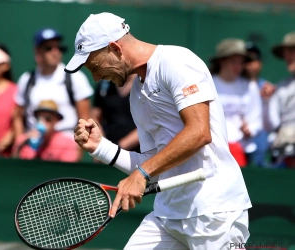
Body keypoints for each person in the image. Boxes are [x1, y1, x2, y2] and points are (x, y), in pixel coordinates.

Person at [65, 13, 252, 249]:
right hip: (167, 216)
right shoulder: (136, 95)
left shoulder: (176, 61)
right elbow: (154, 163)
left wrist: (141, 174)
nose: (96, 76)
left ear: (114, 47)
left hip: (214, 213)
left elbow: (200, 132)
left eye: (95, 66)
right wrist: (101, 147)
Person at [14, 28, 93, 139]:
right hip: (33, 146)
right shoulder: (26, 79)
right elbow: (17, 116)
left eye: (58, 48)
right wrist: (20, 142)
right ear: (38, 52)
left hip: (65, 146)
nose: (55, 52)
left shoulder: (76, 77)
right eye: (48, 48)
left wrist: (77, 150)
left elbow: (85, 118)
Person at [210, 38, 263, 167]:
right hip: (213, 149)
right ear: (221, 61)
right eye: (233, 62)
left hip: (242, 149)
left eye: (241, 62)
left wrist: (250, 129)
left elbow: (256, 118)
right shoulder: (209, 83)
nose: (238, 67)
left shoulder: (249, 86)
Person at [13, 100, 80, 162]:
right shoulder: (24, 140)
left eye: (48, 119)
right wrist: (28, 145)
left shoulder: (67, 143)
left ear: (56, 121)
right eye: (39, 118)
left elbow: (66, 170)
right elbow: (18, 166)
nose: (43, 122)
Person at [243, 42, 276, 167]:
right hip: (239, 144)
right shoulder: (236, 86)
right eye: (246, 60)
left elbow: (272, 122)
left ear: (260, 63)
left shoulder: (267, 87)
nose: (249, 64)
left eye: (253, 60)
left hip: (262, 147)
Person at [92, 74, 140, 152]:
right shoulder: (103, 87)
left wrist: (117, 149)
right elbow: (95, 118)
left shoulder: (146, 85)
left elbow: (151, 124)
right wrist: (100, 145)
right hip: (109, 151)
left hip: (141, 153)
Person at [269, 32, 295, 168]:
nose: (288, 57)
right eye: (286, 53)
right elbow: (273, 123)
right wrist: (265, 101)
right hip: (284, 155)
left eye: (292, 51)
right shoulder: (281, 87)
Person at [0, 43, 17, 157]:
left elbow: (18, 121)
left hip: (4, 156)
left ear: (6, 65)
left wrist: (9, 137)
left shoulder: (15, 92)